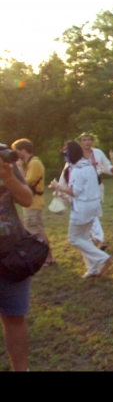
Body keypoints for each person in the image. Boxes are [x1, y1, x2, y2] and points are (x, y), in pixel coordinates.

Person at [49, 141, 112, 279]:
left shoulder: (77, 170)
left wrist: (57, 187)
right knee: (83, 237)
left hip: (83, 208)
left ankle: (102, 258)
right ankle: (92, 269)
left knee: (74, 238)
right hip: (92, 205)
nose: (65, 156)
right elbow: (84, 189)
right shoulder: (89, 166)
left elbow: (75, 191)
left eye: (66, 153)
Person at [0, 151, 34, 371]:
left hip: (11, 255)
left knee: (14, 316)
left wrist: (9, 178)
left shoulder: (5, 163)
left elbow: (27, 199)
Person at [11, 139, 56, 265]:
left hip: (34, 203)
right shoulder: (31, 163)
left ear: (23, 150)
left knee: (36, 232)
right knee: (36, 230)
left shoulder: (35, 163)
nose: (14, 154)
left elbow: (25, 183)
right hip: (33, 202)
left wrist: (18, 167)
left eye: (16, 151)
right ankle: (47, 258)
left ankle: (48, 258)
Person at [78, 132, 113, 251]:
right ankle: (99, 240)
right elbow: (67, 170)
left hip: (97, 186)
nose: (87, 142)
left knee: (94, 212)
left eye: (89, 139)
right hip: (83, 188)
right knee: (92, 214)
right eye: (84, 140)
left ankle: (92, 235)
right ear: (80, 142)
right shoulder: (77, 155)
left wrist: (111, 169)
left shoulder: (98, 153)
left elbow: (106, 165)